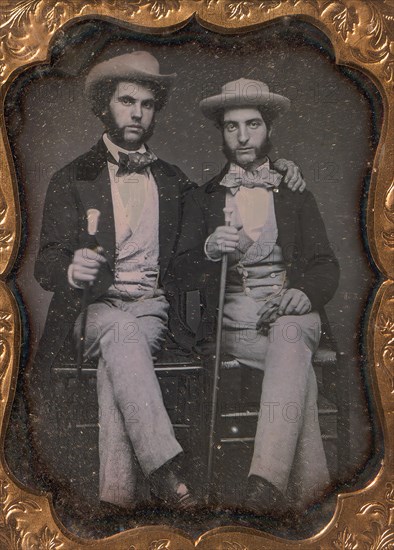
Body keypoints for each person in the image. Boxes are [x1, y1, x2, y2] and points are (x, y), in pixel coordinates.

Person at [27, 53, 305, 512]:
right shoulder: (72, 178)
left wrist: (284, 167)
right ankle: (166, 468)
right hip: (90, 313)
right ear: (105, 106)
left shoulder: (173, 181)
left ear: (157, 110)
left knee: (120, 359)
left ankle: (118, 500)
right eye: (126, 101)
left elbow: (202, 245)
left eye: (148, 104)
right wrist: (69, 269)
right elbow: (46, 264)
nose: (137, 113)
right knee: (121, 334)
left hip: (151, 310)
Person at [173, 78, 340, 516]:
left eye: (253, 124)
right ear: (221, 133)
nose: (243, 136)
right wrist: (209, 249)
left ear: (269, 129)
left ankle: (262, 486)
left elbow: (326, 264)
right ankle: (310, 499)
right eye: (232, 127)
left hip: (295, 316)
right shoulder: (204, 198)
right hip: (237, 328)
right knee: (298, 373)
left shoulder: (294, 191)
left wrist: (304, 293)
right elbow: (176, 272)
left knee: (289, 333)